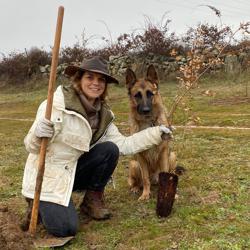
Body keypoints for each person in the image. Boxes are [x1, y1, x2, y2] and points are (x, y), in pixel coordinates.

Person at [21, 56, 173, 237]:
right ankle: (36, 203)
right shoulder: (55, 105)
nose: (96, 83)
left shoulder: (104, 114)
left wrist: (157, 133)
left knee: (109, 149)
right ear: (79, 79)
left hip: (74, 171)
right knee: (65, 228)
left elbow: (124, 145)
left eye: (101, 80)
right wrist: (38, 133)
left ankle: (91, 200)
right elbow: (31, 146)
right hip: (48, 178)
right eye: (90, 78)